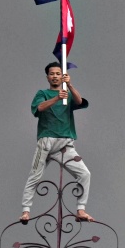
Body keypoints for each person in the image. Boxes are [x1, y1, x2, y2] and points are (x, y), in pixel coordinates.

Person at [20, 61, 92, 223]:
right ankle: (26, 211)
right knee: (35, 175)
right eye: (52, 74)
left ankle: (80, 209)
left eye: (58, 74)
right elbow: (39, 108)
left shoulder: (68, 94)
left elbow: (80, 102)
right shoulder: (43, 93)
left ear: (62, 76)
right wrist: (56, 98)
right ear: (47, 77)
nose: (55, 76)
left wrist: (70, 85)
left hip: (65, 144)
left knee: (84, 174)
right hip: (47, 141)